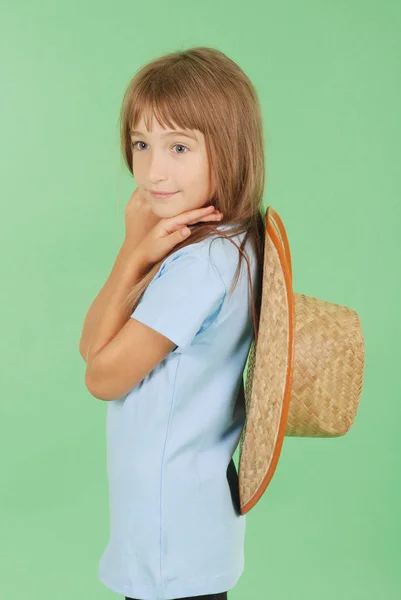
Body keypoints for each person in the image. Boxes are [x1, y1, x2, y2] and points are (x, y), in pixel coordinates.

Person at [80, 45, 265, 600]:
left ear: (229, 151)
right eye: (141, 144)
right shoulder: (230, 241)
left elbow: (100, 376)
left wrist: (136, 252)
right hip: (190, 514)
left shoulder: (198, 268)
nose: (153, 171)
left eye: (179, 146)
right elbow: (92, 346)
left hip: (172, 527)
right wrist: (132, 250)